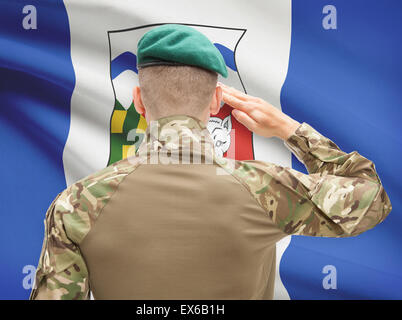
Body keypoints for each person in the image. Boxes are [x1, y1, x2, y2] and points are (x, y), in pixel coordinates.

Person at [29, 24, 392, 300]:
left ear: (138, 101)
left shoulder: (76, 205)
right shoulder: (265, 189)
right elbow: (371, 198)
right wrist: (289, 129)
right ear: (218, 101)